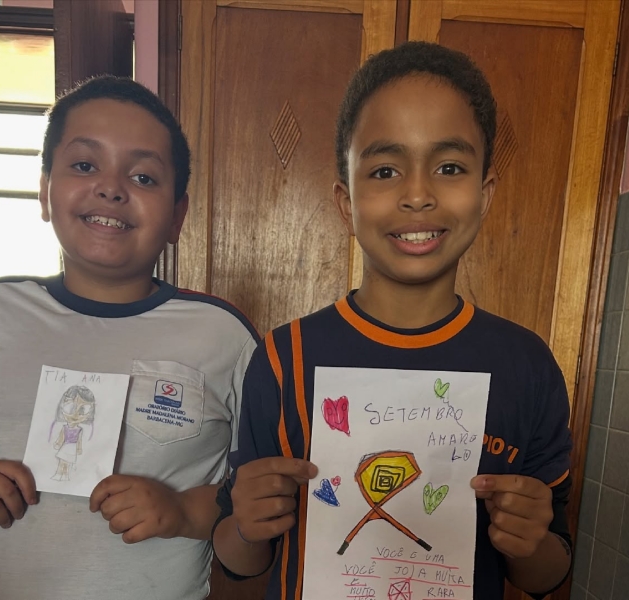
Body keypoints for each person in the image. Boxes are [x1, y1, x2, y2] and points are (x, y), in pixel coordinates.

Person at [212, 42, 573, 600]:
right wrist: (244, 527)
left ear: (485, 195)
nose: (418, 195)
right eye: (385, 170)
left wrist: (530, 541)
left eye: (449, 167)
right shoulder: (284, 357)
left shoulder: (526, 365)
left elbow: (548, 572)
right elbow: (240, 560)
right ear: (346, 203)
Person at [0, 76, 258, 600]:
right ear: (45, 190)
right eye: (85, 165)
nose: (111, 188)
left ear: (177, 216)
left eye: (143, 176)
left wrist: (183, 510)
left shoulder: (222, 335)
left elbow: (256, 492)